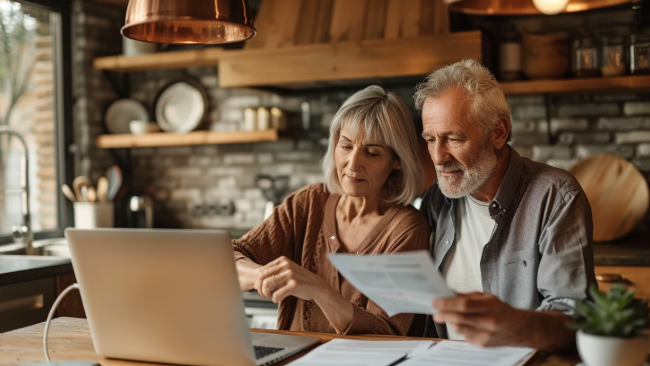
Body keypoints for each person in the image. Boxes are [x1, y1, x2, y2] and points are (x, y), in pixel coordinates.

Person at [413, 59, 596, 351]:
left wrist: (513, 324)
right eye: (430, 139)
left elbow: (578, 321)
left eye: (453, 138)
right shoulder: (437, 198)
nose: (437, 157)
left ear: (498, 132)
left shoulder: (555, 196)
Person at [233, 85, 429, 335]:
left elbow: (386, 334)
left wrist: (319, 290)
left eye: (371, 152)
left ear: (397, 161)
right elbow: (226, 260)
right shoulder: (308, 202)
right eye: (346, 147)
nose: (353, 164)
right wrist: (266, 274)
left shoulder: (406, 229)